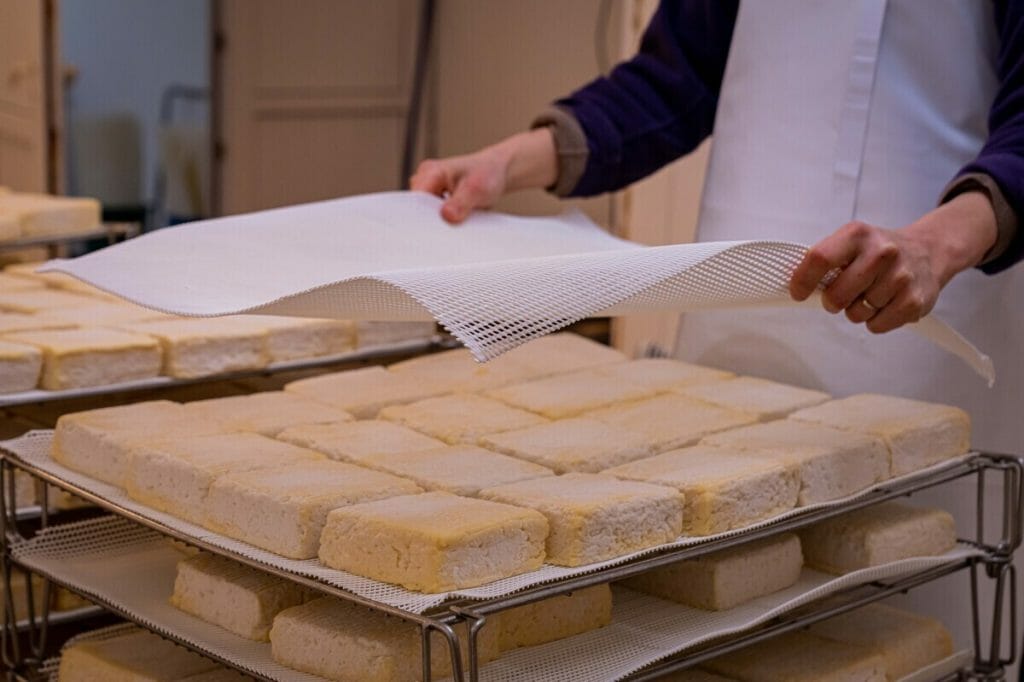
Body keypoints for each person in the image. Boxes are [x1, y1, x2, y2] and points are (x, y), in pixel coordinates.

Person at [412, 0, 1024, 673]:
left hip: (920, 321)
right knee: (705, 622)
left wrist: (937, 245)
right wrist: (511, 162)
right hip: (735, 314)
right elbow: (674, 78)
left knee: (907, 631)